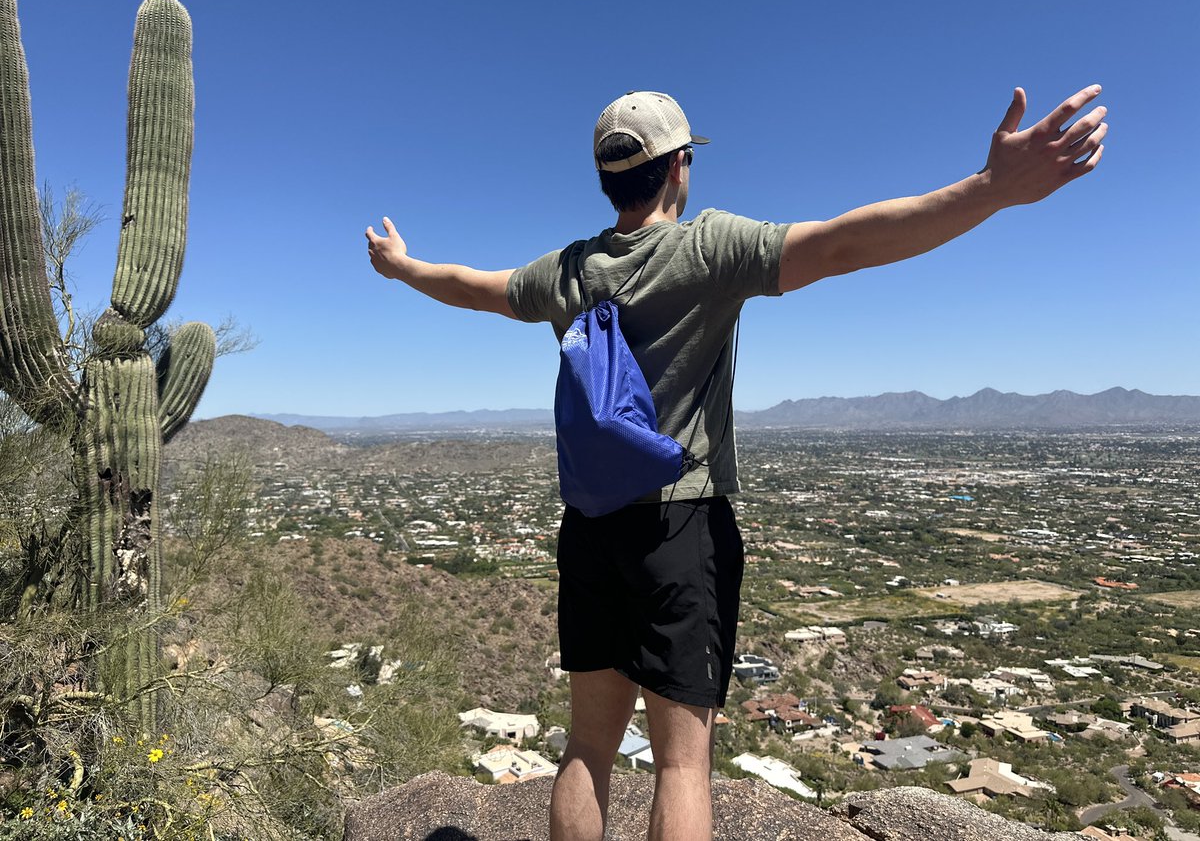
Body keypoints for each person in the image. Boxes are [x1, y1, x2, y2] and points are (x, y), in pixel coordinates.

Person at [364, 86, 1107, 841]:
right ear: (679, 165)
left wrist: (401, 266)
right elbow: (848, 242)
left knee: (587, 747)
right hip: (679, 528)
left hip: (589, 529)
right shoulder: (706, 248)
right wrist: (989, 190)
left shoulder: (569, 270)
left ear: (607, 177)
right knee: (681, 766)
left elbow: (473, 287)